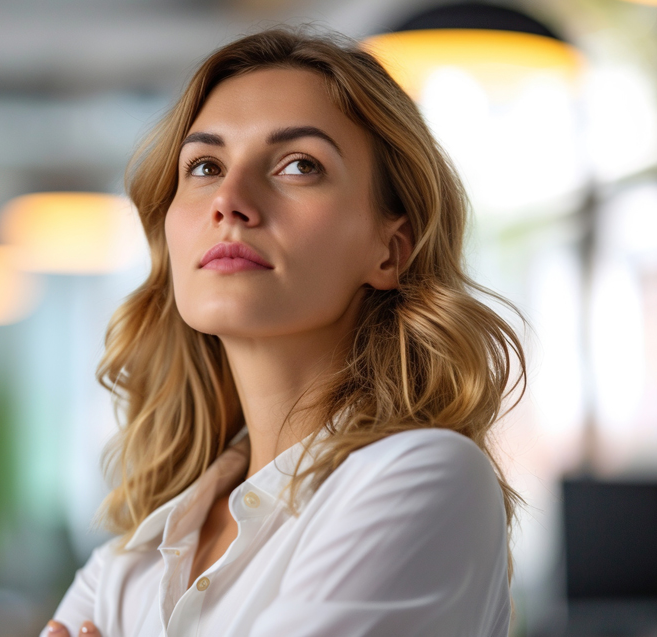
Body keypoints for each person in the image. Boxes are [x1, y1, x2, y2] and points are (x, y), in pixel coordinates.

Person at [42, 26, 525, 637]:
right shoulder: (126, 567)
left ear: (391, 249)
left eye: (299, 165)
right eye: (206, 165)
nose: (230, 200)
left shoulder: (424, 475)